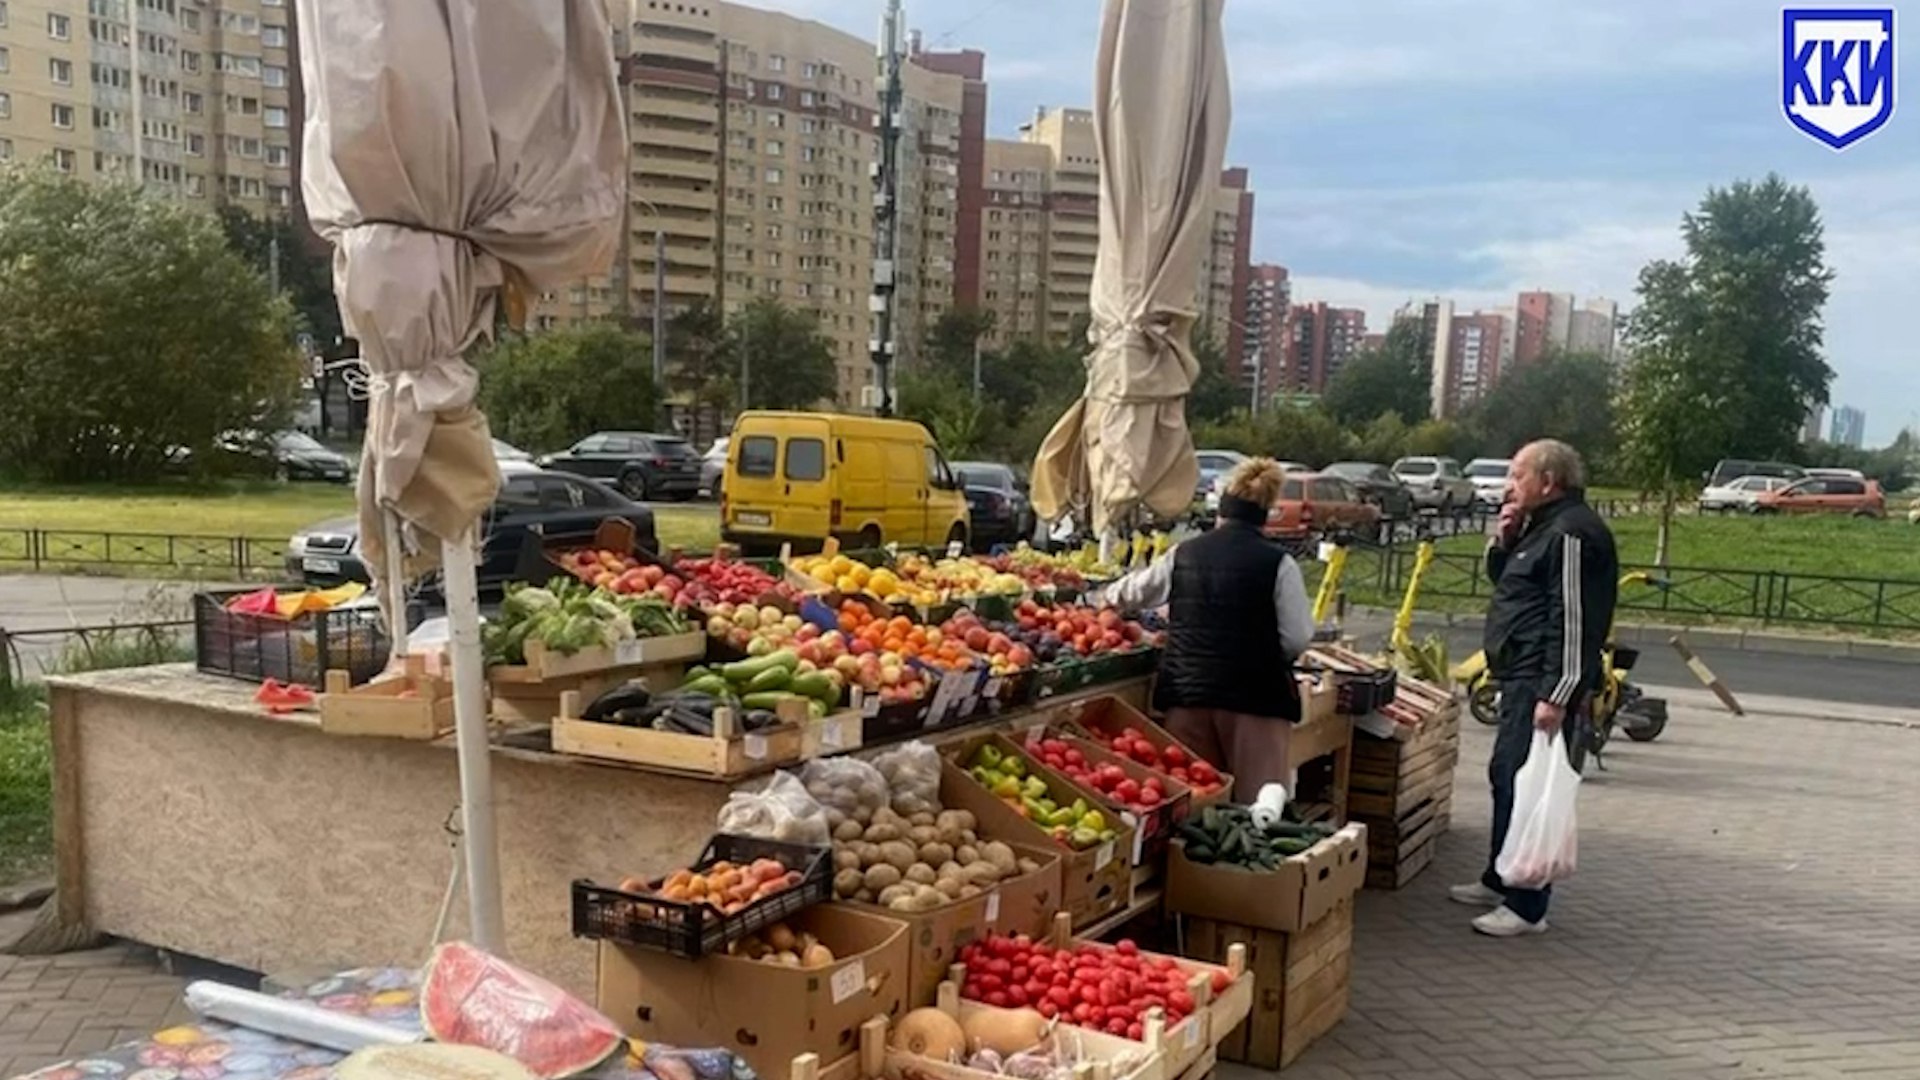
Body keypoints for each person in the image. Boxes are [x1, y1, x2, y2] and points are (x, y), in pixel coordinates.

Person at [1452, 439, 1618, 937]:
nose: (1509, 485)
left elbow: (1573, 619)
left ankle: (1527, 905)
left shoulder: (1572, 534)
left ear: (1549, 482)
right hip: (1520, 673)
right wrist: (1503, 543)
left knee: (1527, 787)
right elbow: (1516, 589)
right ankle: (1501, 874)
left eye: (1517, 475)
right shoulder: (1541, 528)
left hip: (1540, 681)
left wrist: (1558, 694)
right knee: (1508, 774)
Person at [1100, 458, 1314, 804]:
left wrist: (1105, 598)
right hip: (1254, 702)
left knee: (1195, 805)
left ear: (1221, 513)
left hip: (1187, 696)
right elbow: (1297, 636)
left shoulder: (1184, 554)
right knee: (1255, 810)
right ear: (1263, 517)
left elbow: (1134, 592)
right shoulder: (1278, 563)